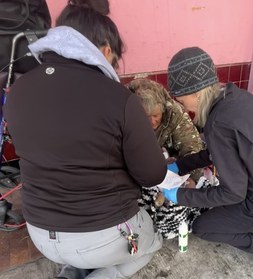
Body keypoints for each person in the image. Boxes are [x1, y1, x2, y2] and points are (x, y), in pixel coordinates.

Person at [4, 1, 166, 278]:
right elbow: (152, 174)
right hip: (101, 234)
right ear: (105, 50)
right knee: (151, 243)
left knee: (82, 252)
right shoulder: (119, 98)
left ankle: (71, 273)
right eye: (114, 59)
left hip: (40, 233)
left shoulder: (18, 90)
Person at [162, 46, 253, 268]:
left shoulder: (217, 123)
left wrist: (181, 196)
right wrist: (180, 165)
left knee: (204, 227)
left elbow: (233, 193)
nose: (183, 106)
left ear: (195, 93)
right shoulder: (236, 97)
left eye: (181, 100)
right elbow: (219, 152)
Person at [127, 78, 209, 239]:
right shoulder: (124, 115)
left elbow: (191, 146)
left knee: (186, 197)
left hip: (171, 168)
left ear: (163, 110)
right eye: (146, 116)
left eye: (156, 115)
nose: (152, 122)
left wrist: (191, 177)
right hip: (139, 170)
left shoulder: (174, 112)